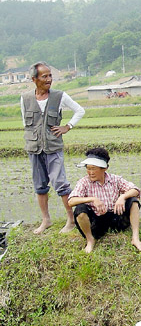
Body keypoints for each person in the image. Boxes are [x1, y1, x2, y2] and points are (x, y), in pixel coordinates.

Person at [21, 62, 85, 234]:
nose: (49, 79)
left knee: (61, 184)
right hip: (34, 148)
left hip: (53, 147)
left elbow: (80, 110)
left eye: (50, 76)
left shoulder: (59, 96)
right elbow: (25, 124)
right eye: (44, 76)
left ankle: (71, 220)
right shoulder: (25, 98)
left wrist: (67, 126)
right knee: (40, 186)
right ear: (34, 79)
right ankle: (46, 220)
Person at [67, 148, 141, 253]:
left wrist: (122, 197)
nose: (90, 172)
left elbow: (135, 190)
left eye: (93, 169)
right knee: (80, 209)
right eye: (88, 168)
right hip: (96, 222)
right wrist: (92, 199)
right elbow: (71, 201)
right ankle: (90, 240)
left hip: (115, 218)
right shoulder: (84, 182)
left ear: (104, 168)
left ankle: (135, 238)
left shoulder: (115, 180)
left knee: (133, 201)